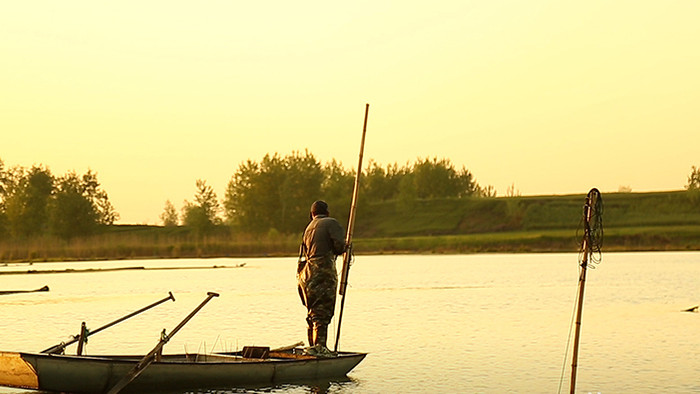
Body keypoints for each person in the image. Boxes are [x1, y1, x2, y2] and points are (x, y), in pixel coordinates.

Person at [297, 200, 346, 357]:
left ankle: (313, 347)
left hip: (306, 275)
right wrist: (347, 246)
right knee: (322, 312)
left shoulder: (308, 228)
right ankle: (320, 349)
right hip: (322, 272)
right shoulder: (331, 223)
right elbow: (338, 247)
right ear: (328, 212)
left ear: (312, 214)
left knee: (313, 312)